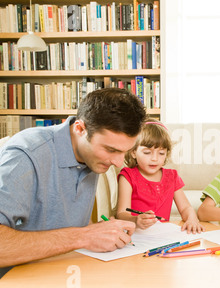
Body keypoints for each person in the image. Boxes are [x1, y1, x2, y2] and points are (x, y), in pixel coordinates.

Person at [0, 88, 147, 277]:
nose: (118, 163)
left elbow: (63, 222)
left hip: (64, 273)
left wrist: (100, 231)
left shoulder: (90, 156)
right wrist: (84, 236)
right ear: (80, 129)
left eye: (124, 152)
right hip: (16, 283)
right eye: (111, 150)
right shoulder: (26, 155)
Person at [116, 119, 204, 234]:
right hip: (136, 235)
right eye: (147, 152)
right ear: (133, 152)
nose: (154, 158)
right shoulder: (128, 176)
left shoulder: (172, 176)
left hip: (162, 236)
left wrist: (192, 219)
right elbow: (121, 213)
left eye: (161, 153)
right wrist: (136, 220)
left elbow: (185, 208)